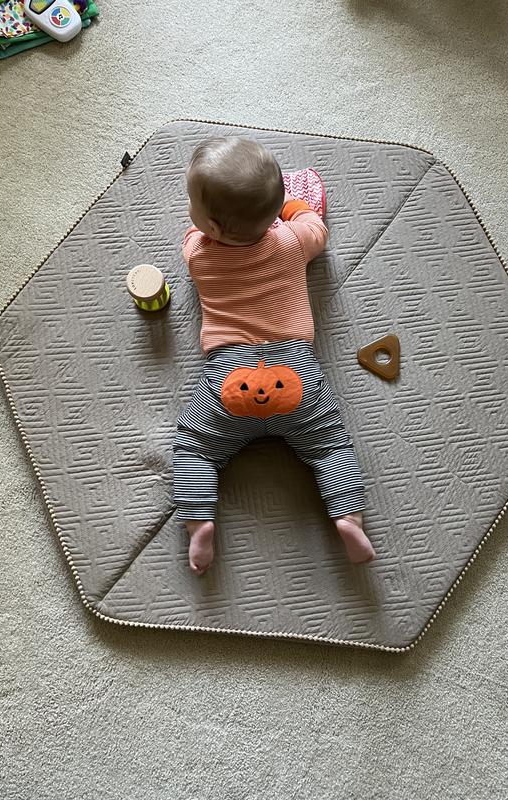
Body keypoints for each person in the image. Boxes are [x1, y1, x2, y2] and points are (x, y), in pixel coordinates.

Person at [173, 136, 376, 575]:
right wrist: (291, 208)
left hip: (228, 382)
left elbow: (190, 239)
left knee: (195, 450)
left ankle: (200, 523)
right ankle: (347, 517)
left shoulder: (201, 256)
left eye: (192, 203)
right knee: (330, 446)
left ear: (212, 227)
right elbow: (317, 229)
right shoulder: (290, 242)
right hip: (296, 377)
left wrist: (201, 228)